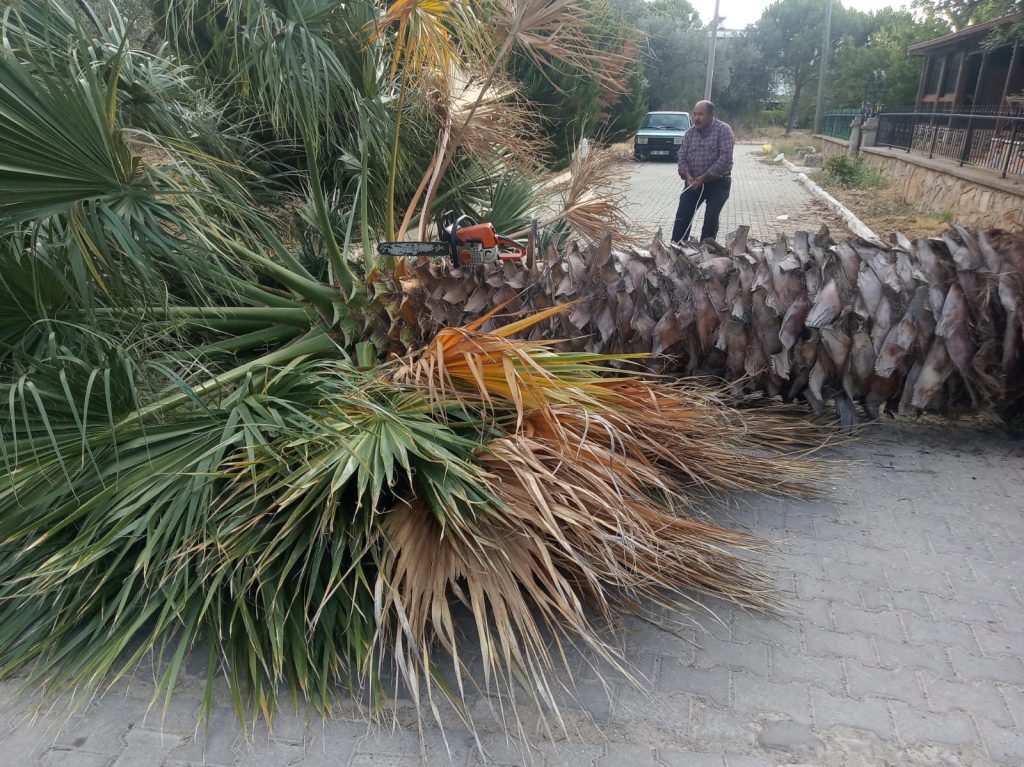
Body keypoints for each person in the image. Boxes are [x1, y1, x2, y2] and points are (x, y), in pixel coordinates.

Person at [670, 100, 735, 244]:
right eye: (695, 114)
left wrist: (703, 178)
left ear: (711, 115)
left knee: (711, 218)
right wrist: (687, 176)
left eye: (701, 114)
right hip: (692, 182)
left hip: (718, 183)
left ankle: (707, 252)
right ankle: (676, 250)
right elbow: (682, 157)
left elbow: (724, 159)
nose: (696, 118)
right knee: (682, 217)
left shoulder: (723, 130)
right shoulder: (690, 133)